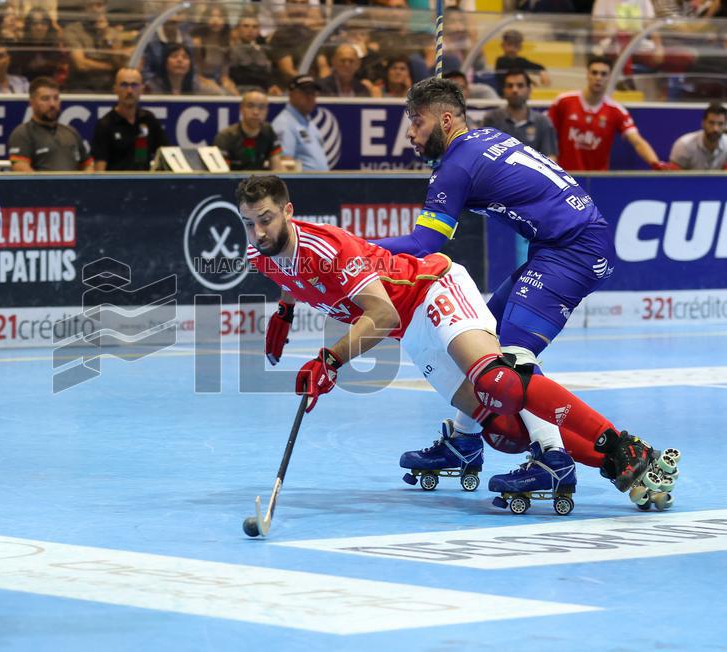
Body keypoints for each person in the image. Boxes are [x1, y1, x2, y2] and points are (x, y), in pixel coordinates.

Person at [241, 175, 679, 513]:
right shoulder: (260, 254)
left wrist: (331, 359)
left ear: (288, 212)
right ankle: (617, 470)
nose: (258, 231)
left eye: (266, 219)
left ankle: (623, 446)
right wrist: (284, 312)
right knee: (503, 429)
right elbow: (290, 276)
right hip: (411, 330)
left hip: (431, 288)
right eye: (249, 222)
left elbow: (382, 314)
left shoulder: (328, 246)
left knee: (500, 383)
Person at [370, 77, 644, 495]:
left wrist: (353, 249)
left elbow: (425, 244)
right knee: (478, 339)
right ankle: (463, 443)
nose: (410, 132)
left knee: (510, 364)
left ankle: (553, 459)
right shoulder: (484, 138)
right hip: (566, 243)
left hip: (572, 250)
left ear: (445, 119)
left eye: (417, 121)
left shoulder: (456, 167)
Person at [548, 56, 668, 171]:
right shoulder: (563, 101)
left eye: (603, 74)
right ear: (587, 74)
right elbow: (545, 135)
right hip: (566, 177)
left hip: (598, 180)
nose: (598, 77)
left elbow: (637, 142)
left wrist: (656, 163)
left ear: (609, 78)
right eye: (594, 73)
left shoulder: (616, 111)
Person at [8, 77, 92, 171]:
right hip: (39, 186)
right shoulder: (23, 133)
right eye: (45, 99)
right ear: (32, 102)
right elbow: (21, 170)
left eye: (56, 98)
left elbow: (87, 165)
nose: (52, 104)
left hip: (74, 185)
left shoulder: (71, 132)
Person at [91, 68, 168, 171]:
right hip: (116, 185)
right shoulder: (105, 125)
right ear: (115, 89)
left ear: (142, 89)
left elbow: (166, 155)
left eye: (134, 85)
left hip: (145, 183)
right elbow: (99, 171)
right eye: (124, 85)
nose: (129, 91)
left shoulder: (148, 120)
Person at [481, 69, 558, 161]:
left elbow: (550, 158)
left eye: (520, 85)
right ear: (504, 90)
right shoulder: (491, 119)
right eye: (510, 86)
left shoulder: (543, 122)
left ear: (529, 90)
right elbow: (483, 156)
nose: (515, 90)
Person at [213, 90, 284, 171]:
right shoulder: (225, 137)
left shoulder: (268, 131)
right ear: (241, 109)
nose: (256, 112)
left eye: (261, 107)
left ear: (267, 111)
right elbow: (221, 176)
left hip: (258, 183)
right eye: (250, 106)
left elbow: (277, 169)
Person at [271, 74, 329, 171]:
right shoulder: (284, 124)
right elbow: (284, 164)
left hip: (318, 183)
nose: (310, 97)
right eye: (306, 93)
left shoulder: (309, 122)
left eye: (313, 93)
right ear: (291, 94)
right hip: (302, 184)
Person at [145, 43, 227, 96]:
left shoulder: (197, 85)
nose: (180, 60)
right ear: (165, 62)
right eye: (174, 56)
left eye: (185, 57)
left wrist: (212, 84)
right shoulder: (151, 87)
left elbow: (222, 95)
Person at [668, 102, 727, 170]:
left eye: (720, 124)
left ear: (725, 125)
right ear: (703, 123)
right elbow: (673, 178)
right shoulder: (684, 145)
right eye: (711, 123)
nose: (715, 129)